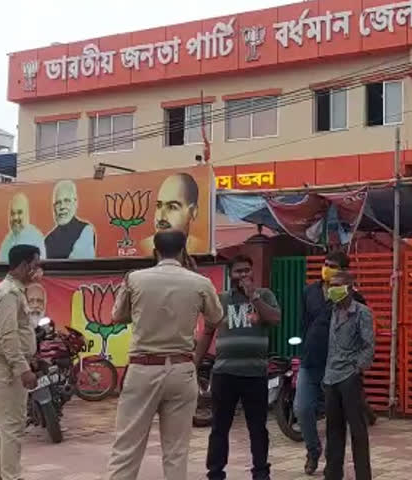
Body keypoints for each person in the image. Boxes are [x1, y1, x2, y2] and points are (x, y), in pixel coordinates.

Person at [105, 230, 223, 480]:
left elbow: (117, 316)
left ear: (155, 251)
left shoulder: (135, 279)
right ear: (183, 251)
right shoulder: (199, 283)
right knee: (176, 453)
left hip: (143, 369)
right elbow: (216, 317)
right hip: (181, 369)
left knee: (126, 448)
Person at [195, 254, 282, 480]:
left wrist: (254, 297)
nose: (243, 275)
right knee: (220, 428)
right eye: (238, 271)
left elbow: (274, 319)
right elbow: (207, 333)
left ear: (252, 273)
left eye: (246, 271)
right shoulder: (221, 299)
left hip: (255, 374)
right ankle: (215, 473)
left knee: (258, 429)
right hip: (225, 374)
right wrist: (194, 365)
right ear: (231, 275)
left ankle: (261, 473)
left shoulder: (265, 295)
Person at [296, 250, 370, 474]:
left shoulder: (356, 301)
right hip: (312, 362)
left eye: (333, 265)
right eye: (325, 263)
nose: (327, 268)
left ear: (345, 271)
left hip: (340, 369)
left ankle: (337, 467)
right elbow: (305, 324)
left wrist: (356, 367)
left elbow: (364, 341)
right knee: (303, 408)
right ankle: (312, 450)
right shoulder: (309, 291)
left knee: (340, 424)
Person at [0, 244, 42, 480]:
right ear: (24, 265)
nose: (38, 271)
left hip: (6, 368)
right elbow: (8, 337)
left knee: (2, 425)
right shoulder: (8, 293)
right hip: (7, 370)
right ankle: (11, 476)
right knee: (13, 428)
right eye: (35, 265)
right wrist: (23, 370)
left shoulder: (12, 290)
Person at [323, 270, 375, 480]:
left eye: (337, 285)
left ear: (349, 287)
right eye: (331, 284)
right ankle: (333, 475)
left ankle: (363, 475)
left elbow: (368, 345)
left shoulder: (362, 312)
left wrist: (358, 369)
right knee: (333, 431)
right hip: (330, 377)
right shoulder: (332, 311)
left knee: (357, 431)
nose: (332, 288)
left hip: (349, 377)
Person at [140, 173, 203, 255]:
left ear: (193, 212)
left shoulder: (200, 247)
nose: (160, 217)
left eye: (172, 207)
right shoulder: (143, 246)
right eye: (159, 206)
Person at [45, 180, 96, 259]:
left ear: (75, 203)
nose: (62, 207)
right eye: (58, 202)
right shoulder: (48, 239)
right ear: (53, 207)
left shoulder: (85, 230)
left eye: (67, 201)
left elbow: (79, 264)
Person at [0, 193, 46, 263]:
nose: (15, 217)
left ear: (27, 214)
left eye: (19, 212)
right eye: (12, 213)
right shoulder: (8, 239)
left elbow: (38, 267)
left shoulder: (35, 237)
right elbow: (0, 264)